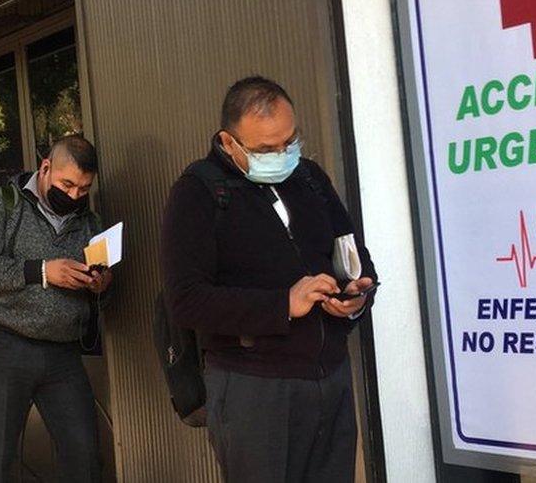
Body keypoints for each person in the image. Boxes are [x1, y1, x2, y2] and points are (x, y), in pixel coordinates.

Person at [160, 76, 377, 482]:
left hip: (329, 376)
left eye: (289, 142)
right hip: (255, 388)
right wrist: (282, 304)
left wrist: (356, 296)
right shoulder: (199, 193)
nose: (282, 154)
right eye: (265, 149)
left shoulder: (309, 177)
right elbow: (186, 300)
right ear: (229, 142)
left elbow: (354, 254)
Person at [0, 134, 112, 482]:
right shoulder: (2, 203)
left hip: (62, 354)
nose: (74, 195)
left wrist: (100, 286)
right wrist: (43, 271)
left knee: (86, 458)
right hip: (3, 346)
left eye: (83, 189)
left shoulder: (89, 222)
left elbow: (105, 297)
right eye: (67, 184)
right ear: (45, 168)